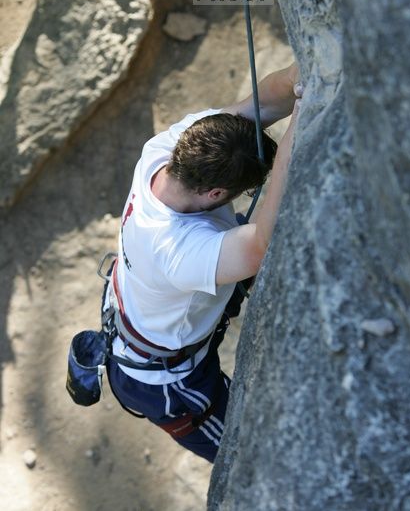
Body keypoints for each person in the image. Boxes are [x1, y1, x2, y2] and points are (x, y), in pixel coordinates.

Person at [104, 62, 302, 463]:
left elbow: (259, 106)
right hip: (168, 379)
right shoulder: (174, 250)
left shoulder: (171, 147)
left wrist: (307, 77)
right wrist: (302, 120)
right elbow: (258, 245)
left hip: (142, 313)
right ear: (215, 194)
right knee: (252, 458)